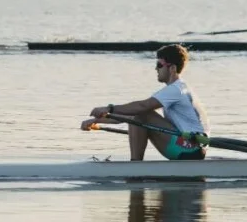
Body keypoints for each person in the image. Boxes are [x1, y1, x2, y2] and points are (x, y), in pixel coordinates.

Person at [81, 44, 209, 161]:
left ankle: (135, 166)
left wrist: (109, 108)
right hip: (190, 146)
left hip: (190, 148)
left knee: (142, 114)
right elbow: (131, 116)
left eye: (159, 65)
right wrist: (96, 121)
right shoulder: (180, 88)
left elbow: (142, 107)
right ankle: (136, 165)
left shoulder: (175, 90)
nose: (155, 69)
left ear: (173, 68)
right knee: (140, 115)